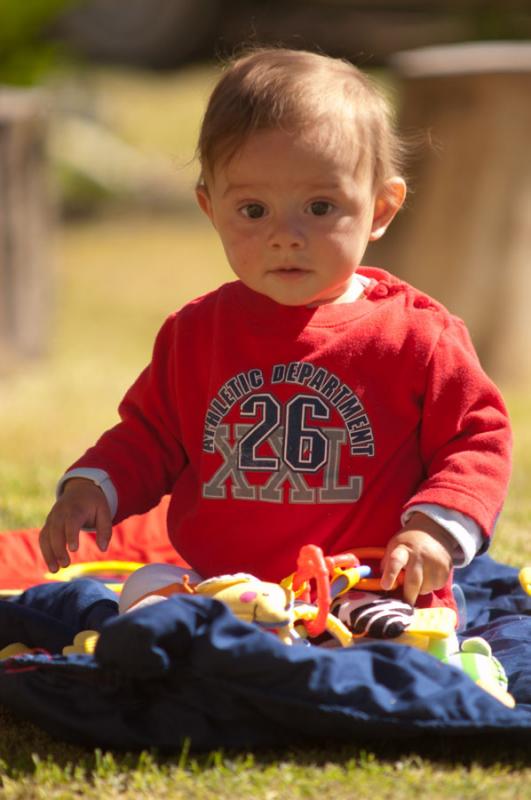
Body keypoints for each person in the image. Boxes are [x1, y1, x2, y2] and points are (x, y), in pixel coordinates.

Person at [39, 48, 512, 614]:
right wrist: (93, 487)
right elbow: (150, 436)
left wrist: (434, 529)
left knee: (387, 639)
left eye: (319, 206)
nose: (285, 235)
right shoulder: (196, 333)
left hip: (366, 583)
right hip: (226, 587)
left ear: (381, 209)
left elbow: (476, 440)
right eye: (254, 210)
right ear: (210, 208)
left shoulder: (416, 335)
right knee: (144, 600)